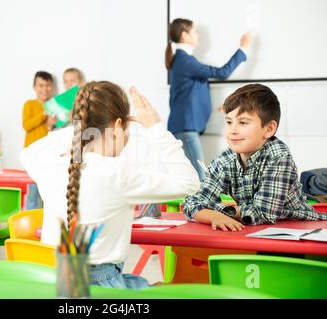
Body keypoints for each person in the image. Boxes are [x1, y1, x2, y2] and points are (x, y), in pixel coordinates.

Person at [21, 81, 200, 289]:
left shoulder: (48, 164)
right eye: (127, 130)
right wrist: (155, 128)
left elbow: (28, 152)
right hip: (102, 288)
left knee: (160, 286)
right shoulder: (119, 174)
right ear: (117, 127)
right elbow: (190, 182)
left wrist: (82, 125)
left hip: (54, 284)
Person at [183, 84, 327, 231]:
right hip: (255, 229)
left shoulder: (278, 156)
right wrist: (214, 216)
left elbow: (263, 213)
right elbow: (191, 203)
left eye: (243, 122)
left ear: (269, 129)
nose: (232, 130)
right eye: (229, 122)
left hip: (301, 228)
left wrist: (217, 210)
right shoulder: (226, 159)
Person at [165, 18, 251, 180]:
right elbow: (222, 73)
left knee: (193, 176)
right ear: (185, 35)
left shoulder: (184, 60)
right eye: (194, 32)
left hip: (185, 127)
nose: (198, 35)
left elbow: (190, 92)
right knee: (202, 177)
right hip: (185, 128)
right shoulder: (185, 60)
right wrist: (243, 49)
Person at [22, 71, 57, 209]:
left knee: (48, 191)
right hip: (32, 155)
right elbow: (27, 125)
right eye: (40, 85)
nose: (44, 89)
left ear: (52, 87)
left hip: (49, 155)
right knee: (33, 192)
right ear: (34, 87)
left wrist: (50, 125)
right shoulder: (29, 104)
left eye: (48, 85)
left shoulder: (55, 106)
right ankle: (31, 222)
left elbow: (55, 133)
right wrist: (44, 113)